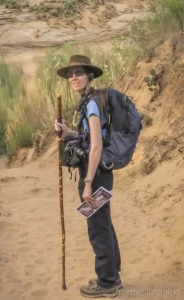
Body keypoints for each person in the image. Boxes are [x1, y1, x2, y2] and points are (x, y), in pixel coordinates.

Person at [55, 55, 122, 298]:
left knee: (97, 227)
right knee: (104, 223)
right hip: (99, 171)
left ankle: (107, 283)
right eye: (71, 74)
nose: (74, 77)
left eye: (79, 72)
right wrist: (69, 132)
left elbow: (96, 147)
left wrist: (87, 183)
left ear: (89, 76)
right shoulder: (90, 101)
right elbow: (90, 137)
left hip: (95, 173)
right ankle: (112, 275)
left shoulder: (92, 104)